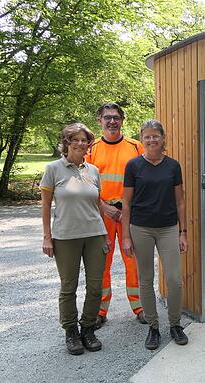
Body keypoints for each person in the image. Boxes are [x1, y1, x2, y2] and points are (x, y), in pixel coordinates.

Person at [120, 120, 189, 349]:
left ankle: (175, 324)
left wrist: (183, 232)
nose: (152, 140)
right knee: (146, 280)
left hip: (168, 227)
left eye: (156, 136)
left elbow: (180, 201)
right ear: (142, 139)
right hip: (141, 229)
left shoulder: (173, 166)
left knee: (174, 280)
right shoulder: (133, 166)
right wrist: (126, 237)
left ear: (162, 139)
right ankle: (153, 327)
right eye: (147, 136)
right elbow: (126, 204)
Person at [41, 123, 107, 355]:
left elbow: (97, 204)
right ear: (66, 142)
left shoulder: (93, 171)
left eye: (84, 140)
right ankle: (71, 331)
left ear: (89, 144)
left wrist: (110, 223)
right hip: (65, 237)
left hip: (95, 235)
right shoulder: (53, 169)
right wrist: (47, 237)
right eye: (75, 140)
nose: (80, 144)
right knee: (69, 287)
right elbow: (46, 206)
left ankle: (88, 328)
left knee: (95, 286)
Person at [86, 102, 145, 326]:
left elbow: (145, 179)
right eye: (107, 117)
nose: (112, 121)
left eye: (116, 117)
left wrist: (129, 208)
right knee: (101, 264)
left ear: (123, 120)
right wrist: (105, 207)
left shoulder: (136, 147)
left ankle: (139, 306)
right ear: (100, 120)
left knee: (134, 262)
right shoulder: (91, 148)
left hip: (130, 214)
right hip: (102, 215)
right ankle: (100, 311)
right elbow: (84, 184)